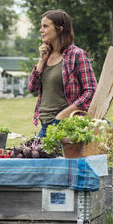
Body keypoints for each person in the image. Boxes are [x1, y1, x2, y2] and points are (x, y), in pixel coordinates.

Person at [27, 9, 97, 138]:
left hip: (65, 124)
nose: (40, 30)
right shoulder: (46, 56)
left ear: (59, 29)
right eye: (41, 26)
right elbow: (32, 87)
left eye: (45, 26)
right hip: (45, 123)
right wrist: (41, 61)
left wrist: (62, 115)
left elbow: (91, 91)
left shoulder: (77, 55)